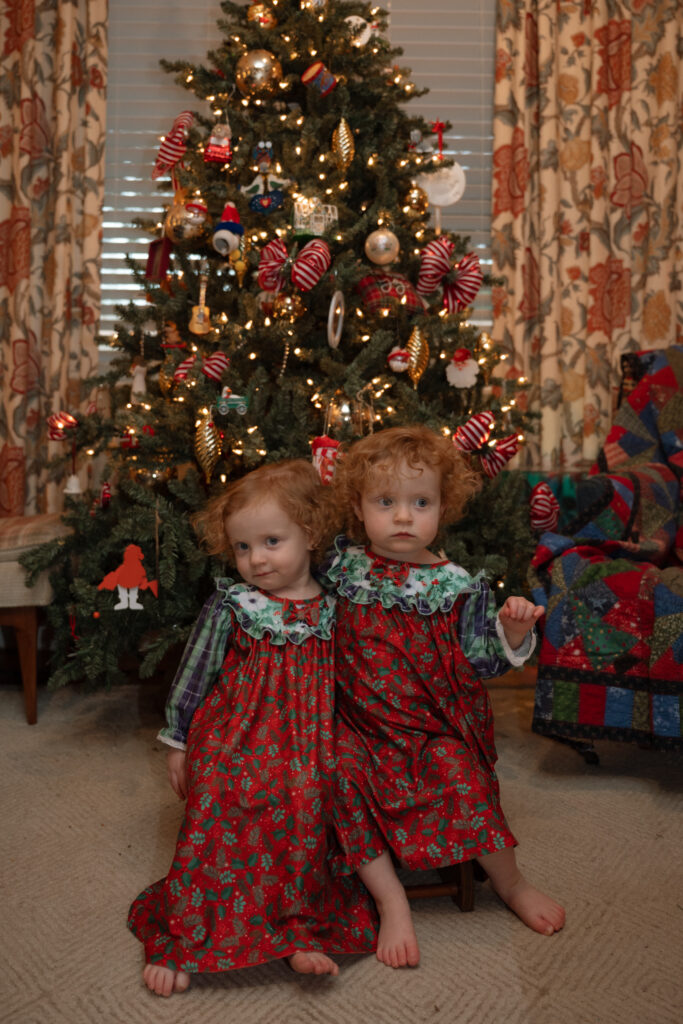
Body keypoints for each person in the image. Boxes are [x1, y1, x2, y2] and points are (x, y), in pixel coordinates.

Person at [128, 460, 377, 997]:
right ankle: (187, 937)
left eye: (270, 541)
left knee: (308, 794)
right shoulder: (233, 604)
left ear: (309, 536)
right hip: (235, 733)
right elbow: (195, 675)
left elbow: (359, 679)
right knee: (222, 790)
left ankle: (298, 926)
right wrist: (178, 743)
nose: (255, 559)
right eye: (243, 547)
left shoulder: (338, 605)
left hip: (309, 738)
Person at [324, 426, 566, 969]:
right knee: (335, 773)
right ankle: (391, 901)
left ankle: (511, 882)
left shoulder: (457, 586)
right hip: (355, 726)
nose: (404, 517)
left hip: (431, 728)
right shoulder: (344, 569)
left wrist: (516, 631)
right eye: (386, 502)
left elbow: (482, 662)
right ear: (359, 508)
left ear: (443, 506)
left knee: (463, 775)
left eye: (420, 502)